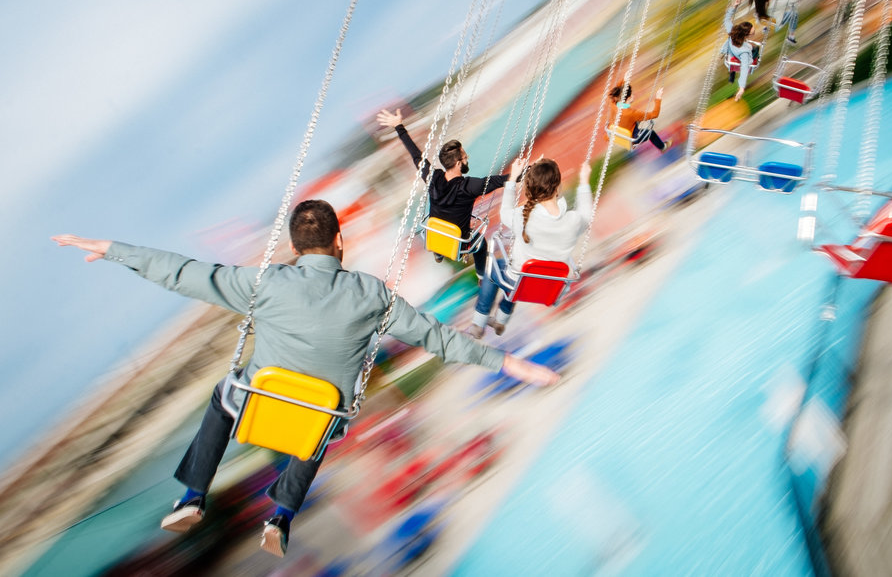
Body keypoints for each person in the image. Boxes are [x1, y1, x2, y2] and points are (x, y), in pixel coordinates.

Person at [52, 200, 559, 558]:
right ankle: (282, 515)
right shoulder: (372, 294)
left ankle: (192, 498)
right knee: (322, 416)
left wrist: (114, 249)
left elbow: (185, 273)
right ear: (339, 241)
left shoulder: (265, 282)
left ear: (295, 247)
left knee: (224, 395)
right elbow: (437, 339)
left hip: (256, 407)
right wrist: (507, 363)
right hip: (317, 417)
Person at [376, 108, 508, 277]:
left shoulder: (433, 177)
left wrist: (398, 126)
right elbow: (500, 180)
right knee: (480, 242)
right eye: (465, 157)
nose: (467, 159)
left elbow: (416, 157)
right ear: (459, 163)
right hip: (459, 244)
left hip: (435, 240)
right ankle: (482, 275)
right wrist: (528, 172)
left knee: (444, 226)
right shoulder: (469, 186)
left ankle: (438, 253)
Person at [469, 156, 592, 338]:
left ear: (530, 189)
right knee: (517, 273)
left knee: (493, 267)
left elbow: (505, 213)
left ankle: (478, 323)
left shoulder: (522, 217)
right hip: (549, 287)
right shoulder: (572, 221)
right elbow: (586, 215)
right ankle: (501, 320)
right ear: (557, 186)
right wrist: (584, 182)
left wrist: (512, 178)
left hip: (520, 282)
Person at [606, 83, 669, 151]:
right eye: (632, 94)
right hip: (631, 138)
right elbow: (654, 114)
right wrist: (658, 98)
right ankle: (663, 147)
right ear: (629, 98)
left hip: (617, 135)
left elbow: (618, 89)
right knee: (651, 133)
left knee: (637, 119)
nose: (633, 95)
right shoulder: (632, 113)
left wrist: (624, 82)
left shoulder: (613, 104)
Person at [722, 6, 756, 102]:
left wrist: (734, 6)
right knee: (755, 49)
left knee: (751, 48)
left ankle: (731, 73)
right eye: (752, 33)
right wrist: (742, 87)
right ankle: (732, 72)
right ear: (746, 35)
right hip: (738, 56)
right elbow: (744, 68)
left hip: (731, 53)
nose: (754, 34)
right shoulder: (744, 51)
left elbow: (727, 19)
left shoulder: (732, 32)